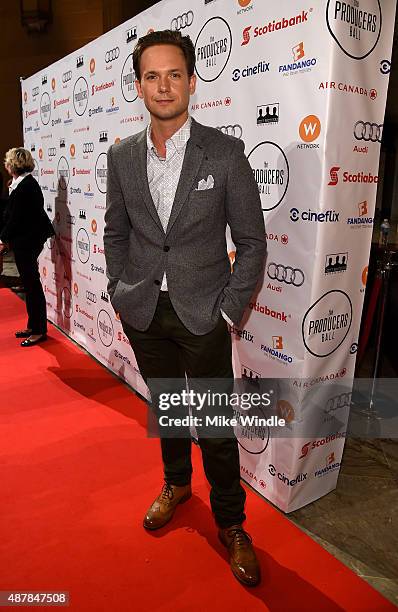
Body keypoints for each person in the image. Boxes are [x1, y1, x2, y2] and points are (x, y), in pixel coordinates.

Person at [104, 30, 266, 587]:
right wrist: (121, 292)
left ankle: (232, 523)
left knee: (217, 426)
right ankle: (176, 484)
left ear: (192, 81)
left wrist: (229, 310)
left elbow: (252, 240)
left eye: (174, 74)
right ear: (139, 86)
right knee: (167, 408)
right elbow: (115, 232)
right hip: (145, 311)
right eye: (152, 76)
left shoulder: (224, 152)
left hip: (205, 315)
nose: (163, 85)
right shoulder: (122, 155)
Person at [0, 148, 54, 346]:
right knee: (29, 284)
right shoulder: (20, 184)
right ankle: (33, 325)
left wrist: (2, 239)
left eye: (7, 161)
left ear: (12, 164)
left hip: (28, 241)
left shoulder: (27, 186)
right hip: (25, 240)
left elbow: (16, 219)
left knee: (32, 285)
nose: (5, 164)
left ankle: (39, 330)